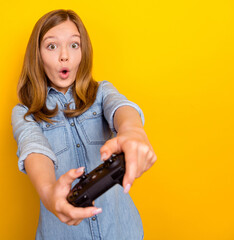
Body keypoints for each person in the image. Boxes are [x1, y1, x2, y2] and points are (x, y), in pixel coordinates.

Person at [11, 9, 156, 240]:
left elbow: (121, 108)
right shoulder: (25, 114)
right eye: (52, 46)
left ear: (83, 52)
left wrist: (133, 131)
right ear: (37, 55)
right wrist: (50, 193)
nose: (64, 56)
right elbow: (33, 149)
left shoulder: (101, 93)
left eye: (74, 45)